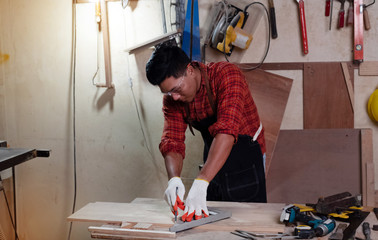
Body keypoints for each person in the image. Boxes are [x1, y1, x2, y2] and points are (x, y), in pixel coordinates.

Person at [145, 44, 267, 222]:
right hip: (214, 156)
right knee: (216, 222)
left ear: (190, 70)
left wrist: (202, 181)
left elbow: (226, 131)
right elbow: (173, 140)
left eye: (177, 89)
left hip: (246, 158)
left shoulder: (227, 75)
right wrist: (174, 180)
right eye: (168, 92)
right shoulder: (172, 99)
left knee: (249, 221)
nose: (175, 97)